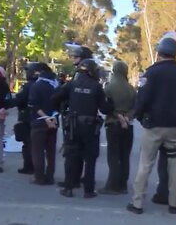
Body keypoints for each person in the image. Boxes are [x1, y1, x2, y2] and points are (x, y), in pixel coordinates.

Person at [126, 38, 176, 215]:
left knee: (145, 164)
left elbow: (142, 99)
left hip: (154, 125)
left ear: (159, 52)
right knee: (175, 165)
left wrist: (139, 116)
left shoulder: (151, 73)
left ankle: (138, 203)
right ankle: (174, 203)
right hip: (175, 126)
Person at [52, 59, 113, 199]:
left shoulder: (71, 85)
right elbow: (104, 108)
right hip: (90, 127)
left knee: (71, 156)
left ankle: (68, 188)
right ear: (91, 71)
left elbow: (54, 97)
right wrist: (111, 104)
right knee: (90, 159)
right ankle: (88, 190)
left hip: (73, 125)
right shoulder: (97, 87)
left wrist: (63, 107)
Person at [56, 45, 93, 189]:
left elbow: (65, 92)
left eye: (76, 57)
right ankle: (76, 179)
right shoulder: (91, 75)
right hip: (86, 119)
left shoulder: (80, 75)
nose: (73, 60)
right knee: (81, 152)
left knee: (72, 152)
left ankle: (71, 181)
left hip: (75, 118)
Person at [99, 61, 136, 195]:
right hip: (128, 125)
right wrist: (127, 117)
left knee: (113, 155)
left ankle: (112, 185)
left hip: (113, 123)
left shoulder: (109, 88)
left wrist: (118, 116)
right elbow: (135, 107)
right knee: (125, 155)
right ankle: (122, 184)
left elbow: (105, 107)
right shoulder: (131, 89)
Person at [28, 62, 59, 185]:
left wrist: (45, 117)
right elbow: (61, 104)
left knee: (38, 150)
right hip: (54, 121)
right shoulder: (57, 85)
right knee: (51, 151)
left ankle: (39, 176)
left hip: (39, 121)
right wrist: (52, 117)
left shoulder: (37, 86)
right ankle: (50, 176)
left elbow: (33, 105)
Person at [10, 62, 39, 175]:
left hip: (27, 117)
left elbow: (19, 99)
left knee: (28, 144)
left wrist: (6, 103)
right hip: (39, 117)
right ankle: (36, 166)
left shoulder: (28, 86)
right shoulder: (43, 84)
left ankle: (29, 166)